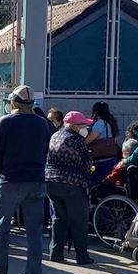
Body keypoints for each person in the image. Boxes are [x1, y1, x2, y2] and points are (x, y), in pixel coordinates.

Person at [0, 85, 51, 274]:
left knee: (2, 228)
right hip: (36, 180)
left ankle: (0, 271)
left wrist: (2, 172)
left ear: (14, 102)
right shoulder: (41, 123)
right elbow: (44, 150)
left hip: (10, 180)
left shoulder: (5, 121)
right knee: (34, 233)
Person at [46, 111, 96, 266]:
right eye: (83, 125)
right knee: (78, 221)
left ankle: (56, 253)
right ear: (74, 125)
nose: (86, 128)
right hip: (72, 184)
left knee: (59, 219)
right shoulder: (76, 140)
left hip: (51, 182)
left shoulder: (55, 136)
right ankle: (82, 256)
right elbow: (88, 163)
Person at [86, 101, 121, 185]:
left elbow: (89, 140)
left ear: (96, 111)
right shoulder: (111, 122)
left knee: (97, 183)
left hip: (101, 160)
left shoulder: (100, 123)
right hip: (112, 158)